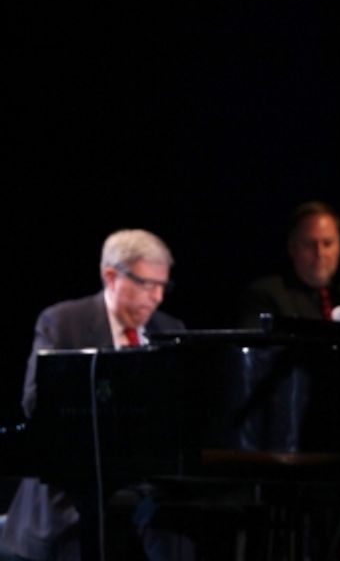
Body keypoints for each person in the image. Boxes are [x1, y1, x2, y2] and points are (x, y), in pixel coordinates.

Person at [0, 229, 193, 561]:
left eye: (163, 286)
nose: (157, 297)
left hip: (149, 501)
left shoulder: (171, 329)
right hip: (70, 497)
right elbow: (36, 402)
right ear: (111, 277)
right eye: (148, 284)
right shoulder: (63, 322)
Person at [237, 200, 340, 328]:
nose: (320, 253)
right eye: (309, 244)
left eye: (328, 243)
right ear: (292, 247)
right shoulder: (267, 294)